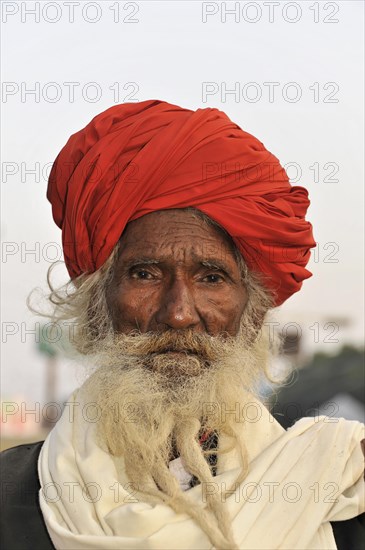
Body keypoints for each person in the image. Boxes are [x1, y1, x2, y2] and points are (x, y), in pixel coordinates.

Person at [1, 100, 364, 550]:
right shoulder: (11, 497)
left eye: (211, 277)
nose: (177, 314)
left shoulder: (337, 492)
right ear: (98, 303)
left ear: (251, 314)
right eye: (145, 274)